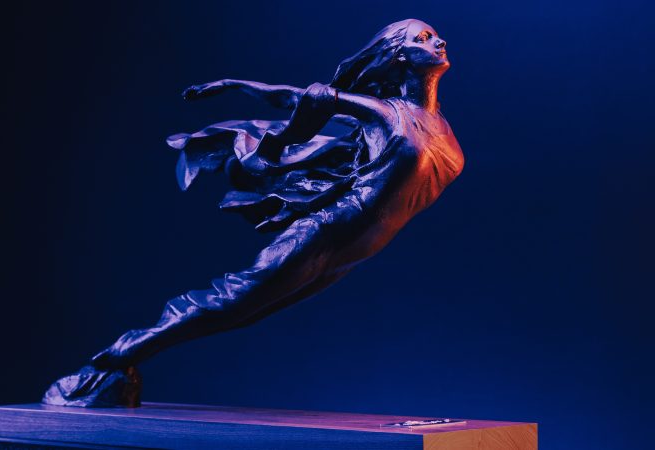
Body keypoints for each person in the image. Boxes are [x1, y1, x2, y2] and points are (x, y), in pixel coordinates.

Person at [43, 18, 465, 407]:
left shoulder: (439, 124)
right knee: (231, 302)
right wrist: (255, 114)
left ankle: (119, 367)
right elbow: (307, 98)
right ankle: (110, 362)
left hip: (357, 249)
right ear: (399, 55)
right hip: (327, 231)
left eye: (434, 35)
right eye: (423, 38)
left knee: (247, 312)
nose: (438, 41)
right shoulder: (386, 114)